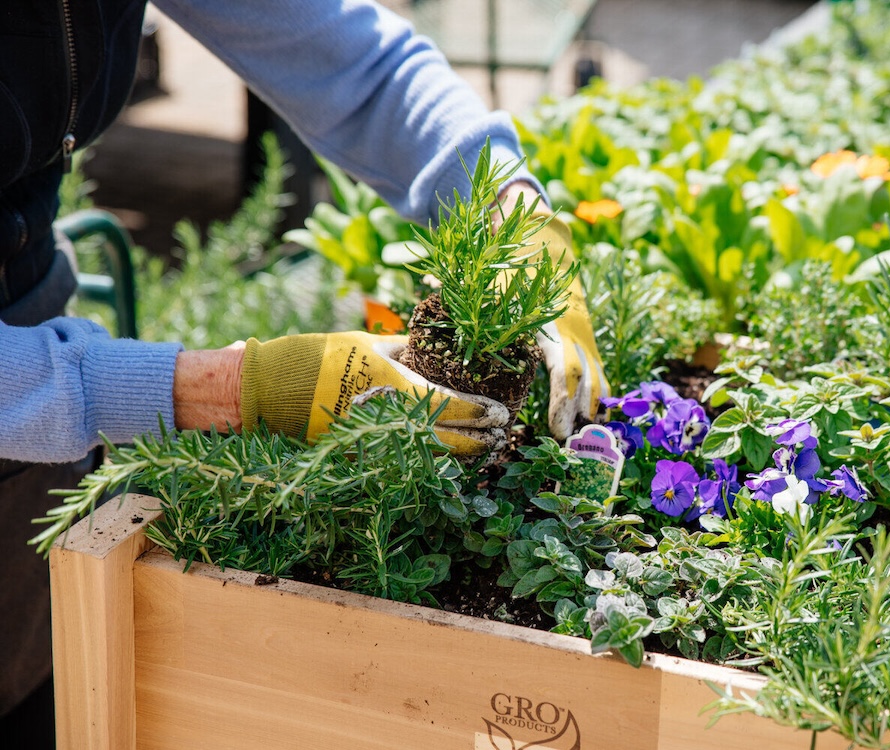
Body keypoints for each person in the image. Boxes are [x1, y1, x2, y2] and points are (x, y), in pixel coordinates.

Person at [0, 1, 608, 745]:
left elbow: (357, 67)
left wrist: (510, 211)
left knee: (47, 690)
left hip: (30, 342)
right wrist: (223, 390)